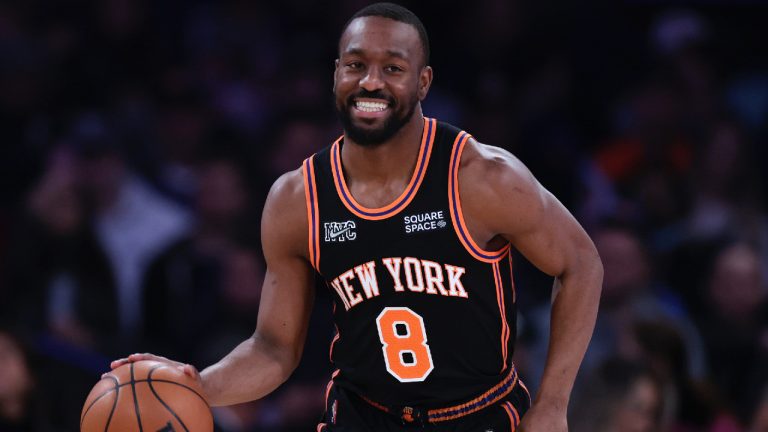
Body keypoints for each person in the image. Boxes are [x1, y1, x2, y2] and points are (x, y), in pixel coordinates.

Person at [111, 3, 603, 431]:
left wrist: (554, 405)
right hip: (363, 417)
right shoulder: (297, 200)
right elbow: (274, 348)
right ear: (336, 74)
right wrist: (197, 383)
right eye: (356, 65)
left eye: (392, 68)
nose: (370, 81)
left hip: (480, 416)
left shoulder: (482, 177)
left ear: (423, 81)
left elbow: (582, 264)